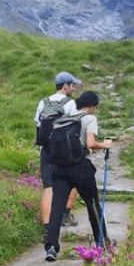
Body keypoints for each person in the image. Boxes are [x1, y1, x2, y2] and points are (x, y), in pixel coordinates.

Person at [44, 90, 113, 261]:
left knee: (57, 208)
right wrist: (104, 145)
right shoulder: (89, 118)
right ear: (90, 106)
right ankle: (102, 242)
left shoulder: (64, 118)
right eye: (95, 107)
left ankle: (51, 247)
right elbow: (90, 143)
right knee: (93, 205)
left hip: (59, 168)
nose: (94, 110)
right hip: (79, 167)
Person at [35, 71, 82, 232]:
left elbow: (38, 126)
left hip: (46, 150)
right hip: (64, 152)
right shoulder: (71, 104)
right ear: (65, 86)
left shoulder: (43, 102)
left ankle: (48, 230)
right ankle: (64, 215)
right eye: (72, 85)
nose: (74, 88)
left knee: (48, 187)